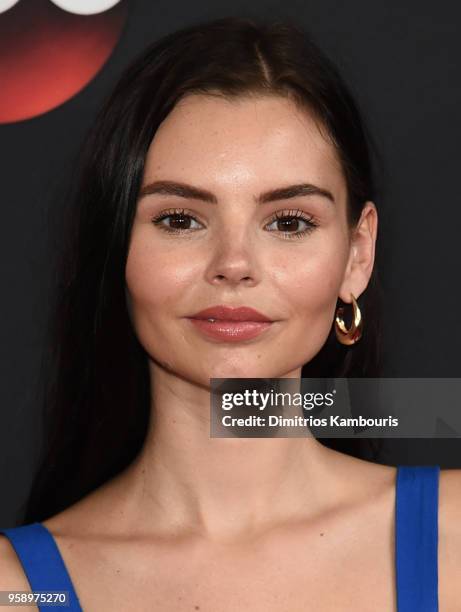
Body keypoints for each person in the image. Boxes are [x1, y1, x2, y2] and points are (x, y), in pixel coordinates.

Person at [0, 15, 459, 611]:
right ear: (114, 246)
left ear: (357, 254)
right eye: (180, 219)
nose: (234, 264)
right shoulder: (20, 590)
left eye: (289, 222)